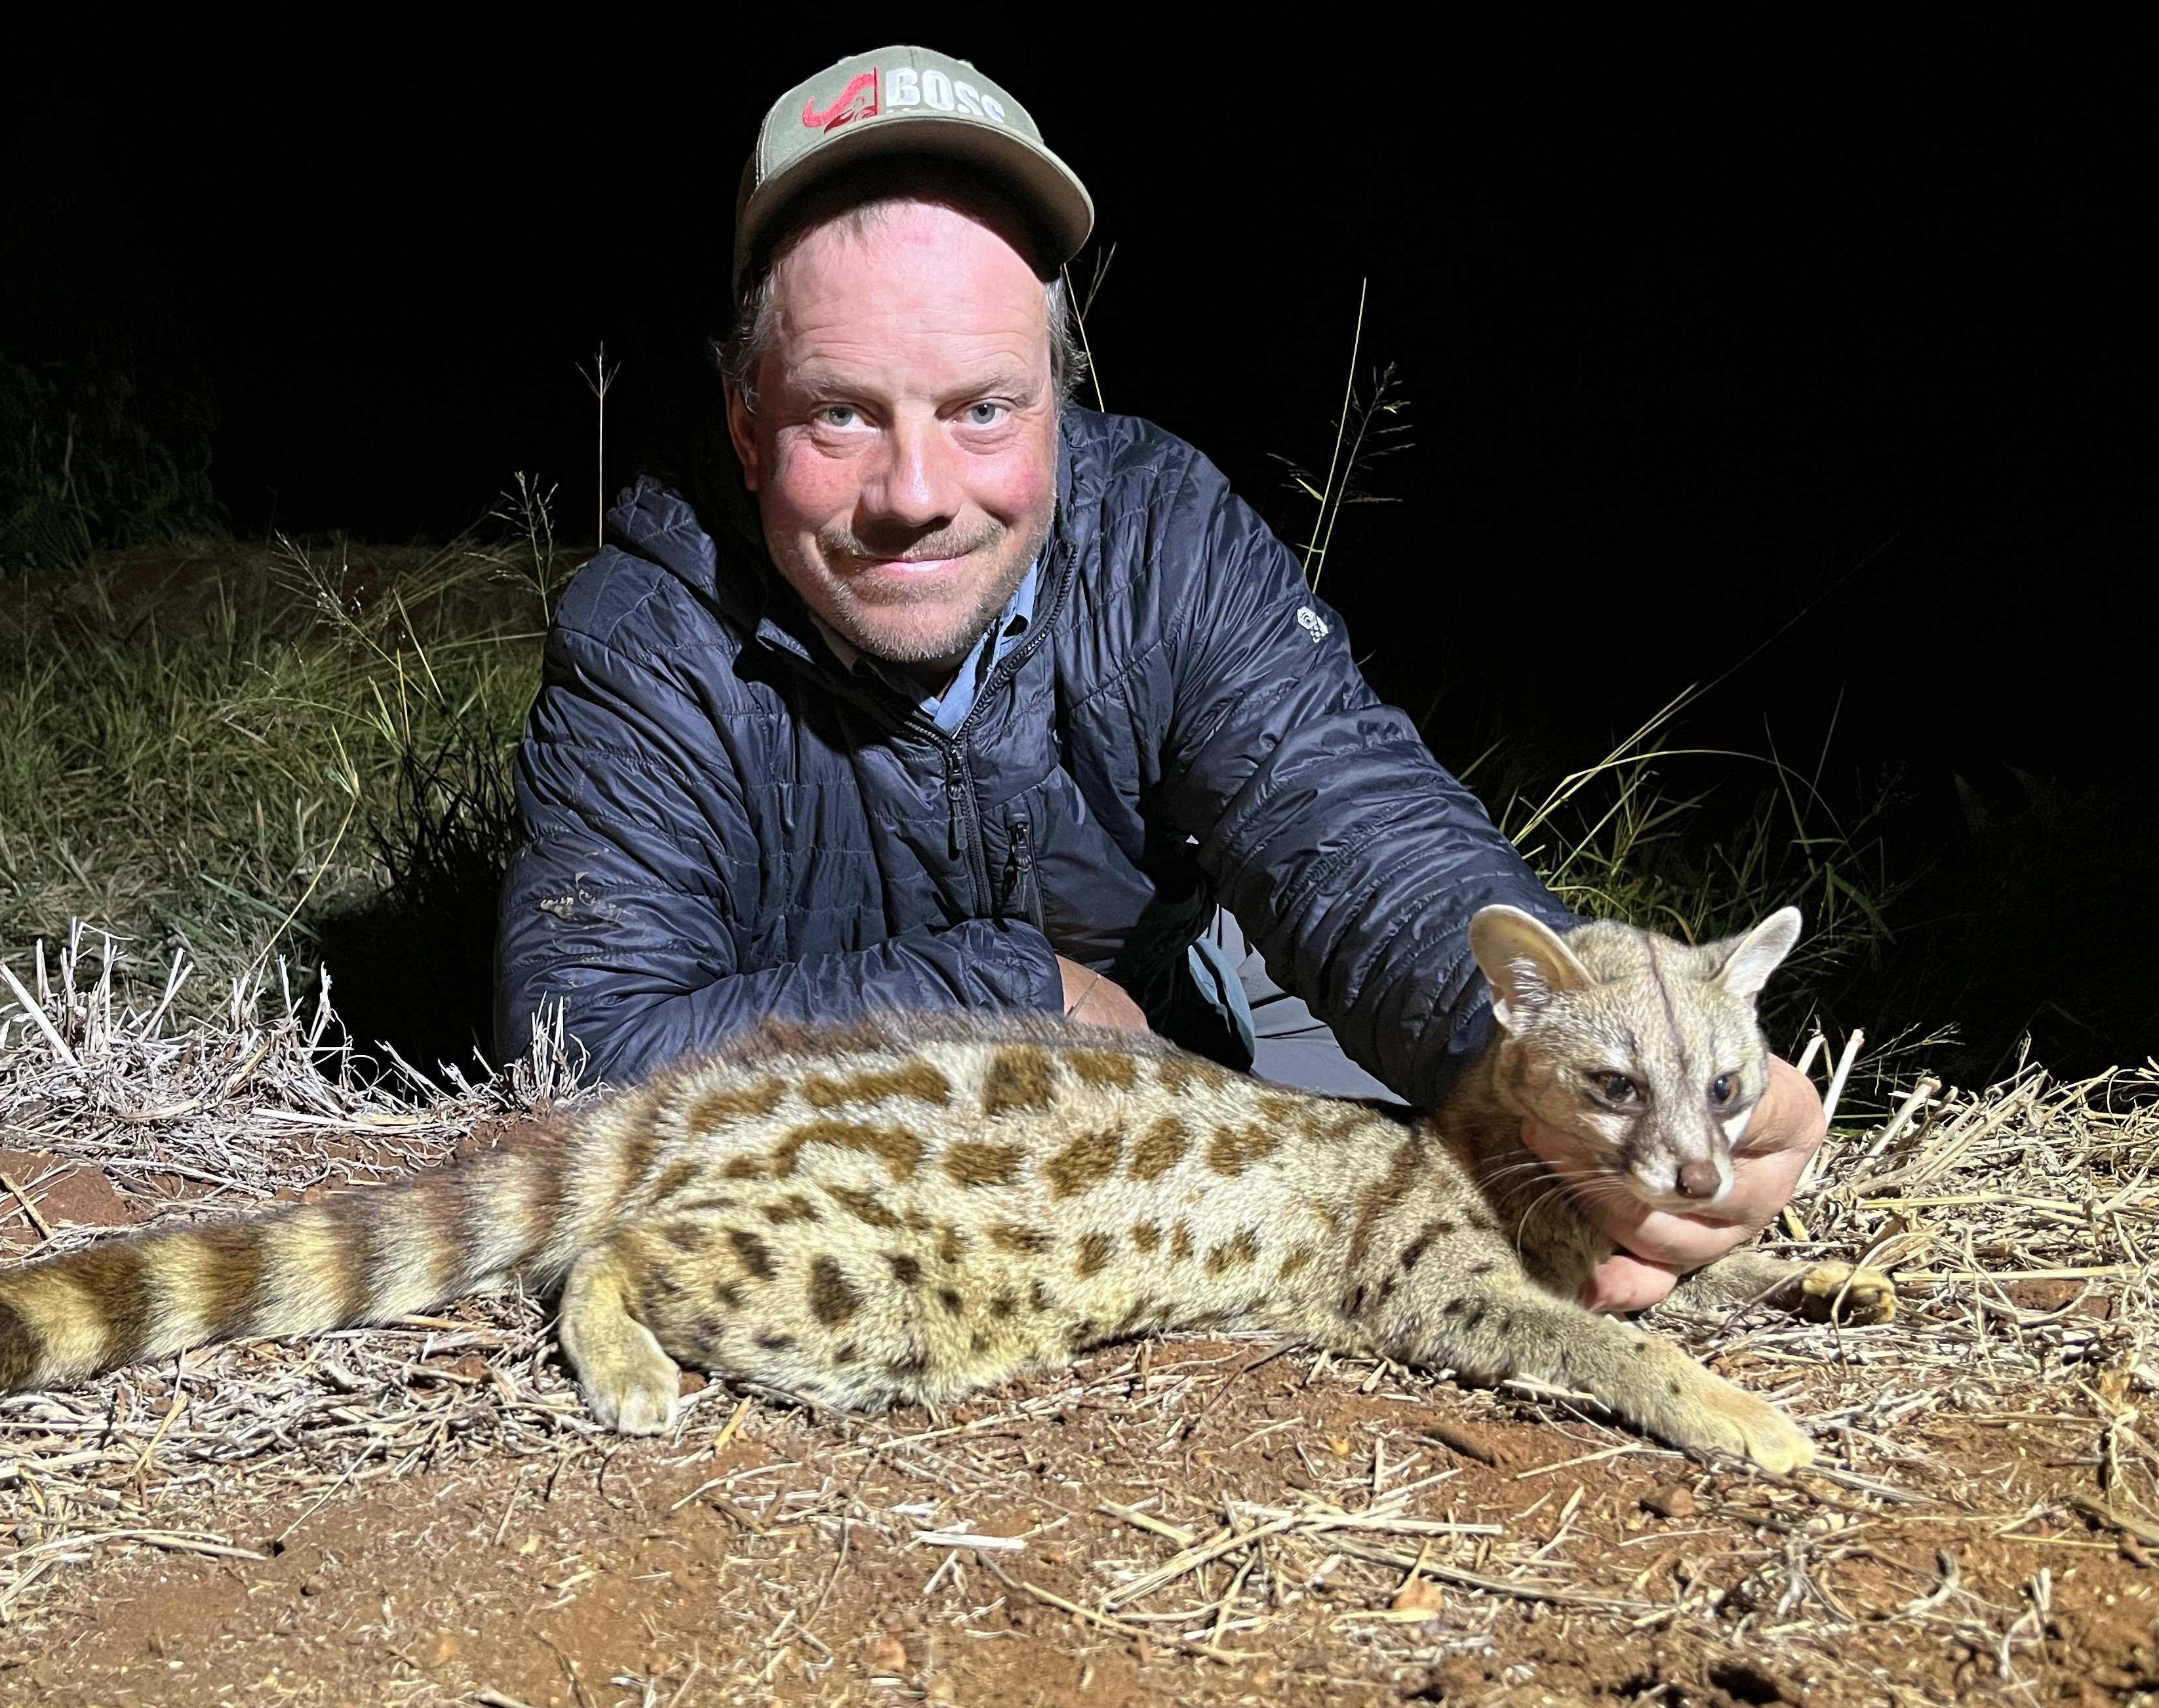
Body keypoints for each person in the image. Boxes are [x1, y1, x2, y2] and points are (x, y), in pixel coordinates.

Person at [497, 46, 1824, 1313]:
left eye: (982, 410)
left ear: (1058, 401)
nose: (916, 497)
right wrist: (1019, 993)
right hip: (912, 1130)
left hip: (1194, 1027)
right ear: (742, 420)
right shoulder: (648, 633)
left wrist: (1582, 1058)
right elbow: (585, 1047)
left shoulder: (1162, 531)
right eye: (840, 413)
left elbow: (1356, 829)